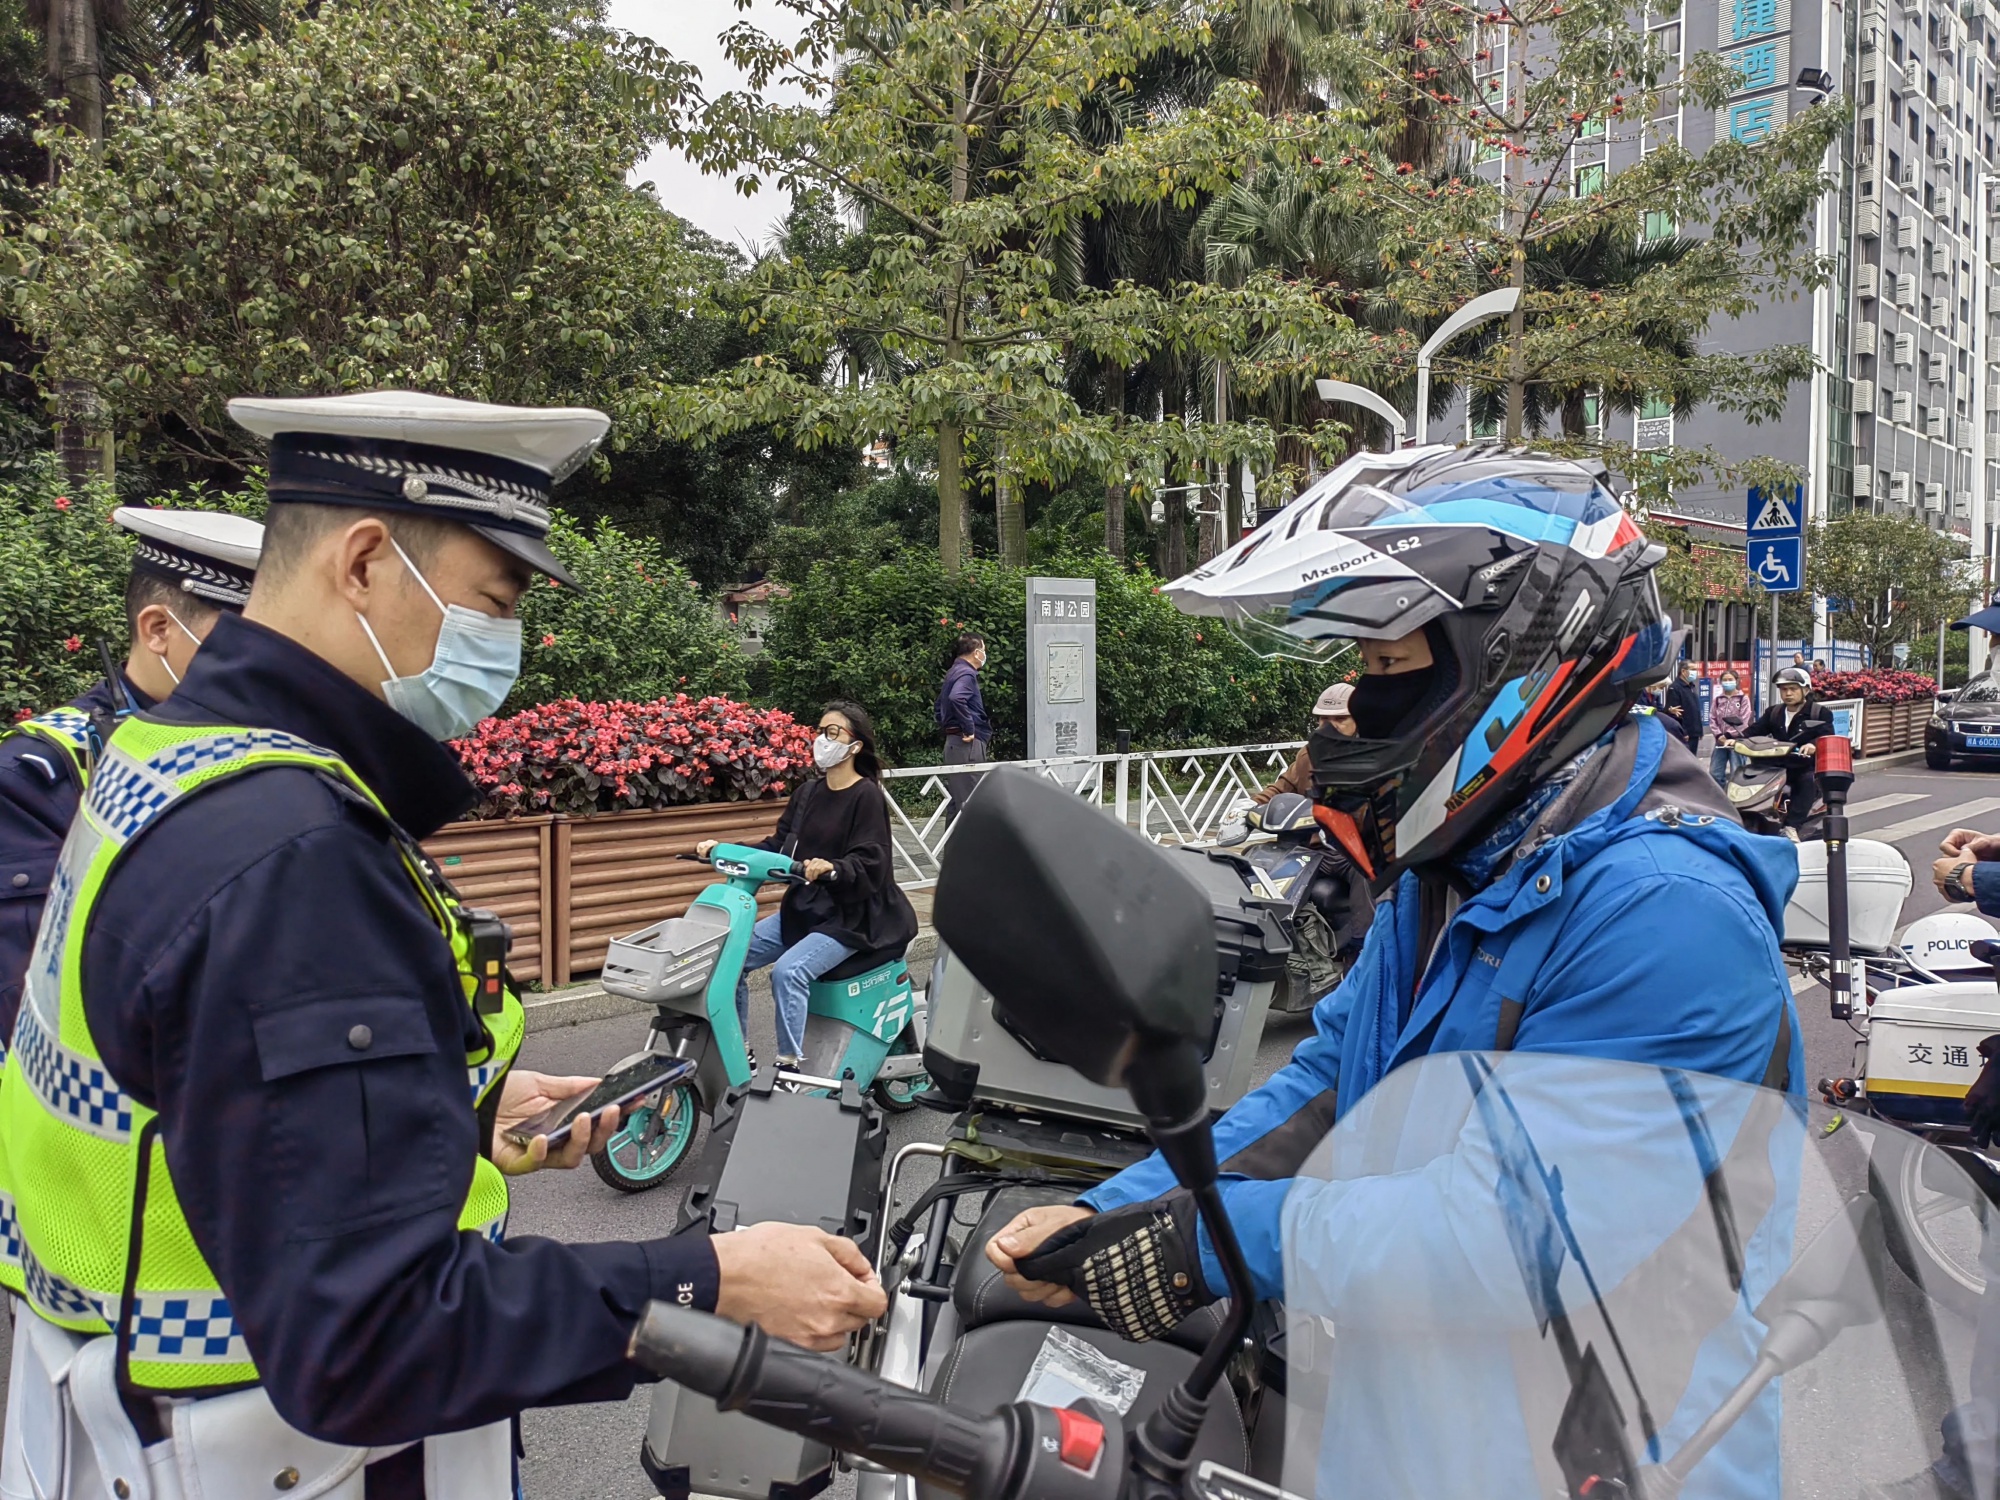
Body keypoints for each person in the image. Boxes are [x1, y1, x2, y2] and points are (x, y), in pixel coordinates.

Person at [0, 392, 884, 1497]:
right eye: (490, 602)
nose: (504, 646)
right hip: (285, 1457)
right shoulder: (292, 852)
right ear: (366, 561)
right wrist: (709, 1281)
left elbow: (196, 1096)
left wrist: (445, 1115)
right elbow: (373, 1337)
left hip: (120, 1410)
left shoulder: (163, 761)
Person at [981, 447, 1801, 1493]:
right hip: (1416, 1434)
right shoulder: (1454, 868)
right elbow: (1326, 1093)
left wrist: (1200, 1243)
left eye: (1383, 672)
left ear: (1513, 660)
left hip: (1602, 1460)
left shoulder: (1663, 914)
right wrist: (1120, 1211)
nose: (1356, 714)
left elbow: (1513, 1241)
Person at [0, 506, 262, 1044]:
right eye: (242, 638)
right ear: (159, 629)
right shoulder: (39, 774)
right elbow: (28, 992)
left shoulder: (274, 751)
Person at [696, 700, 917, 1071]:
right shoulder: (808, 794)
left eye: (833, 732)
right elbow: (778, 846)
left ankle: (791, 1065)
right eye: (820, 731)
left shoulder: (867, 796)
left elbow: (872, 861)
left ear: (855, 745)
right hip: (804, 909)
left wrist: (834, 867)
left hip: (849, 916)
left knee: (789, 971)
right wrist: (723, 848)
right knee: (727, 959)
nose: (822, 739)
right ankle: (738, 1055)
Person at [1746, 664, 1832, 831]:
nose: (1788, 693)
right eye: (1784, 689)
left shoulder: (1819, 713)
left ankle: (1792, 826)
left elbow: (1827, 737)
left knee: (1807, 781)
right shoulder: (1774, 712)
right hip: (1776, 765)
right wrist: (1732, 739)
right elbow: (1754, 730)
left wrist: (1813, 745)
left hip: (1802, 765)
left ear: (1806, 690)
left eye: (1793, 689)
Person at [1251, 682, 1355, 803]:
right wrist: (1250, 806)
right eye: (1324, 718)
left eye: (1340, 718)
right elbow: (1282, 788)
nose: (1330, 726)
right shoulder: (1309, 755)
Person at [936, 632, 990, 820]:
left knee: (956, 801)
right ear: (976, 653)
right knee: (970, 801)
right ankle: (973, 848)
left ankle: (952, 847)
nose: (985, 654)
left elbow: (939, 705)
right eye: (983, 650)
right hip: (966, 745)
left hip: (954, 741)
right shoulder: (966, 673)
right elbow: (957, 698)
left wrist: (946, 725)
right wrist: (969, 728)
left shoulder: (953, 672)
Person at [1707, 667, 1755, 786]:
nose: (1727, 682)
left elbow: (1744, 721)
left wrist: (1728, 736)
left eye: (1730, 679)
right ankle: (1721, 796)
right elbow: (1712, 718)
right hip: (1720, 742)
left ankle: (1736, 798)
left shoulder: (1743, 699)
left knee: (1737, 771)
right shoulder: (1718, 699)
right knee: (1715, 772)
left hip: (1736, 741)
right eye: (1725, 680)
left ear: (1737, 681)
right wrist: (1719, 736)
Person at [1665, 658, 1703, 747]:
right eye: (1693, 669)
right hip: (1685, 734)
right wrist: (1683, 732)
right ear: (1683, 671)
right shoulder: (1675, 688)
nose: (1696, 672)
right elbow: (1675, 713)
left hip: (1694, 733)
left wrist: (1699, 731)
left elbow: (1695, 710)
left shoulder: (1691, 686)